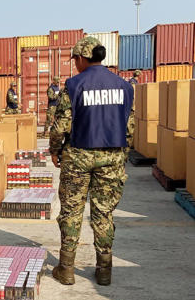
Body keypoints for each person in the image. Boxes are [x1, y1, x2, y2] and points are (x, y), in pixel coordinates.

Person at [49, 36, 135, 286]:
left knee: (72, 212)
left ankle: (66, 269)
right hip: (112, 156)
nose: (74, 64)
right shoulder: (124, 86)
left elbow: (61, 126)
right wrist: (122, 157)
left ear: (82, 58)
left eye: (75, 59)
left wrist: (55, 150)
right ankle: (104, 270)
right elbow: (129, 127)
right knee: (103, 213)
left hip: (78, 155)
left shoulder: (74, 85)